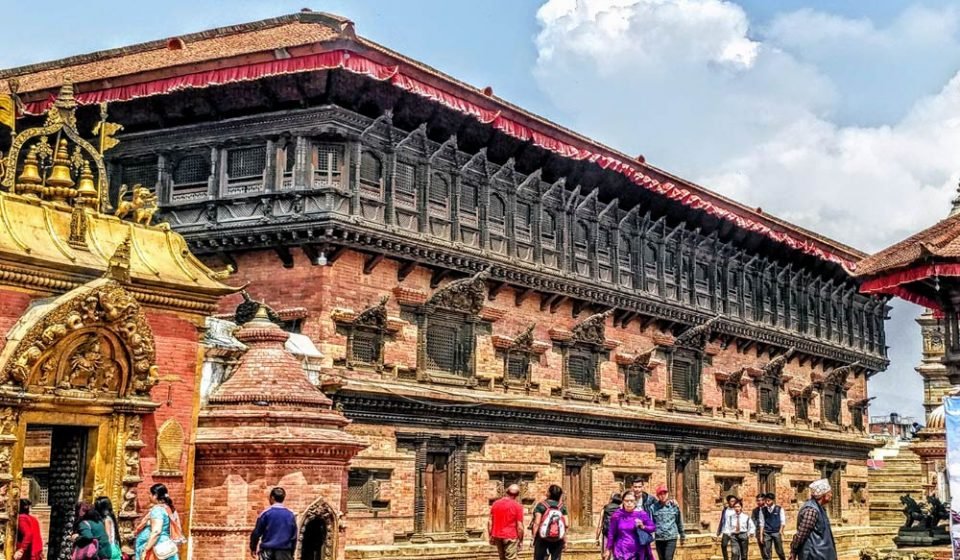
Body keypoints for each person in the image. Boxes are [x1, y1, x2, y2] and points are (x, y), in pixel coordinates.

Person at [789, 479, 837, 560]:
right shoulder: (811, 510)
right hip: (814, 555)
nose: (831, 495)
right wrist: (793, 551)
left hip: (823, 554)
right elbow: (801, 534)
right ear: (823, 495)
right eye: (830, 493)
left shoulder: (820, 508)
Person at [135, 483, 182, 560]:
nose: (149, 496)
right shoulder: (168, 508)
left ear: (155, 495)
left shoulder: (158, 510)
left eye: (150, 494)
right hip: (165, 545)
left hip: (156, 548)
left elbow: (156, 531)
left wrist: (146, 550)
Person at [604, 491, 655, 560]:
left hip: (637, 553)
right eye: (626, 501)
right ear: (623, 502)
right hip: (620, 551)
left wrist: (643, 526)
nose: (629, 503)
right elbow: (611, 533)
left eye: (631, 501)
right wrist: (608, 549)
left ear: (635, 502)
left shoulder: (641, 514)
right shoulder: (617, 515)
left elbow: (653, 528)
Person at [250, 487, 298, 560]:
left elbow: (256, 533)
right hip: (284, 551)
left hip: (267, 551)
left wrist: (253, 548)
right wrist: (292, 552)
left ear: (272, 498)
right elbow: (294, 536)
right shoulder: (290, 515)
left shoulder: (266, 514)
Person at [489, 484, 525, 560]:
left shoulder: (495, 504)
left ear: (506, 492)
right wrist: (521, 540)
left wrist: (490, 535)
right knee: (511, 558)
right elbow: (520, 527)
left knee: (502, 558)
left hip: (497, 535)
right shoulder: (517, 506)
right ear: (517, 495)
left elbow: (490, 522)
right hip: (510, 536)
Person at [531, 484, 568, 560]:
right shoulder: (562, 507)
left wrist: (533, 538)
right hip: (558, 538)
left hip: (542, 538)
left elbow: (536, 523)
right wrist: (565, 540)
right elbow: (566, 524)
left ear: (549, 493)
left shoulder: (541, 505)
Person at [649, 486, 684, 560]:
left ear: (667, 494)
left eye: (664, 493)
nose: (663, 495)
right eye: (660, 494)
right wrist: (651, 536)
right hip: (659, 538)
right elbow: (651, 523)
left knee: (668, 558)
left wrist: (682, 535)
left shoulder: (674, 506)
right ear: (657, 496)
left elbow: (679, 521)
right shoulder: (653, 507)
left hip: (671, 537)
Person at [760, 493, 787, 560]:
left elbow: (783, 521)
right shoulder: (763, 510)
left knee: (779, 550)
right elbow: (762, 523)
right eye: (766, 500)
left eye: (768, 500)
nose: (767, 502)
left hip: (776, 532)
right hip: (767, 532)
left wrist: (781, 531)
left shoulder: (779, 509)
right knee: (767, 551)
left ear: (773, 500)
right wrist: (761, 535)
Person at [714, 495, 740, 560]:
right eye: (732, 501)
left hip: (734, 532)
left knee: (734, 548)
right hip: (726, 531)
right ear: (728, 502)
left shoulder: (737, 510)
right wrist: (718, 532)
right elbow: (722, 520)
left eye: (734, 501)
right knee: (723, 545)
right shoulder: (725, 510)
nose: (733, 502)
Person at [751, 494, 768, 560]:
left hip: (767, 532)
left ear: (764, 500)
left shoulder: (768, 509)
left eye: (761, 500)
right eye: (758, 500)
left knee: (767, 550)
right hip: (758, 532)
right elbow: (753, 521)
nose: (760, 502)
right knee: (762, 549)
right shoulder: (755, 510)